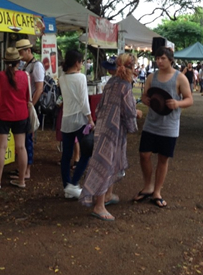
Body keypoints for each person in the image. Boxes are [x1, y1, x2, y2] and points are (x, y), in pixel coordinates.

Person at [80, 54, 138, 221]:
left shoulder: (111, 83)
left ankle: (107, 195)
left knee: (108, 162)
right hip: (113, 131)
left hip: (103, 126)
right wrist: (135, 118)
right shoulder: (125, 87)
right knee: (105, 164)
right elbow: (129, 112)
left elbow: (99, 108)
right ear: (132, 69)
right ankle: (99, 205)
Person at [133, 47, 193, 208]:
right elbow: (146, 95)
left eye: (162, 58)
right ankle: (148, 186)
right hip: (151, 124)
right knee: (144, 155)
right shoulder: (152, 77)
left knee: (163, 159)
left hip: (169, 126)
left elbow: (189, 99)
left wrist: (178, 103)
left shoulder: (180, 78)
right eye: (157, 58)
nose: (159, 61)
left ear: (170, 59)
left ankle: (157, 191)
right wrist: (145, 100)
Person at [0, 47, 29, 190]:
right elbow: (27, 96)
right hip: (21, 114)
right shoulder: (24, 76)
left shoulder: (1, 76)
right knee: (21, 147)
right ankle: (22, 181)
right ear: (18, 61)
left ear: (5, 62)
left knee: (1, 147)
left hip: (3, 115)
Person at [59, 50, 95, 199]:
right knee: (86, 152)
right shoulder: (80, 77)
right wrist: (90, 119)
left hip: (66, 119)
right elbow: (84, 101)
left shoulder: (62, 78)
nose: (82, 64)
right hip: (80, 119)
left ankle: (67, 186)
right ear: (77, 62)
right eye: (81, 62)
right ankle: (73, 184)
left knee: (66, 155)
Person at [15, 38, 45, 180]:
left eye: (21, 52)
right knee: (24, 138)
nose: (20, 55)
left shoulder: (37, 66)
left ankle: (27, 170)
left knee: (28, 138)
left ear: (28, 51)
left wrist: (31, 104)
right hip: (25, 104)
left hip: (30, 104)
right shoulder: (25, 65)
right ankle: (23, 167)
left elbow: (39, 88)